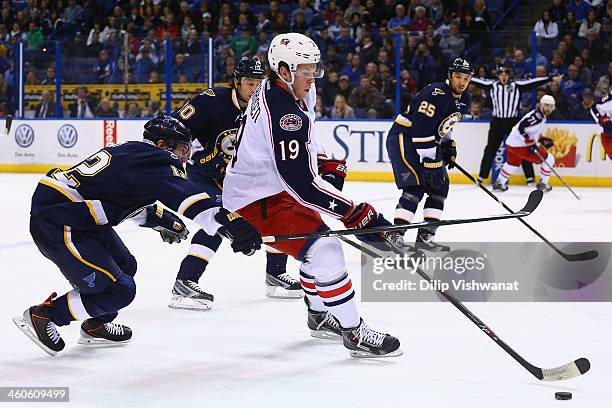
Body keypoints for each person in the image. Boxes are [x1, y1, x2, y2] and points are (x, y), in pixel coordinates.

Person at [13, 115, 262, 356]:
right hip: (60, 222)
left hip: (76, 216)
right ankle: (45, 315)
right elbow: (187, 196)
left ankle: (96, 324)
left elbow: (115, 193)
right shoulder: (157, 160)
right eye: (183, 149)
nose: (186, 156)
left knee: (125, 265)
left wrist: (152, 216)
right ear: (163, 145)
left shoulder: (134, 153)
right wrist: (227, 224)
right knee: (119, 290)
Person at [223, 33, 401, 358]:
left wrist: (318, 155)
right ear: (284, 70)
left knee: (316, 245)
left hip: (270, 186)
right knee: (325, 249)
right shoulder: (280, 109)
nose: (313, 77)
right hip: (256, 200)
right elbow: (301, 184)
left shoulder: (287, 88)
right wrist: (356, 213)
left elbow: (298, 145)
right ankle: (353, 331)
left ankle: (319, 315)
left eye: (314, 68)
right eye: (306, 70)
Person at [169, 57, 301, 310]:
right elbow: (175, 129)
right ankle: (185, 282)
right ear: (236, 82)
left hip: (243, 178)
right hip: (205, 175)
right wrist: (182, 159)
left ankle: (275, 275)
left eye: (259, 83)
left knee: (277, 211)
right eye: (250, 83)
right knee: (218, 220)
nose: (255, 89)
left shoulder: (268, 106)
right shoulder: (211, 101)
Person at [386, 57, 472, 252]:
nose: (462, 82)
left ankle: (426, 235)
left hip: (424, 142)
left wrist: (448, 143)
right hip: (404, 138)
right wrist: (430, 160)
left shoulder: (464, 99)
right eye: (458, 77)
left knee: (440, 185)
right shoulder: (436, 93)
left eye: (466, 79)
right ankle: (395, 234)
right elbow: (421, 128)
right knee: (415, 185)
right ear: (450, 76)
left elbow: (445, 123)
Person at [471, 66, 557, 186]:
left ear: (509, 75)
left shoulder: (517, 85)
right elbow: (475, 80)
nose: (504, 76)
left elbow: (533, 82)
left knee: (523, 147)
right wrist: (461, 76)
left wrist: (550, 78)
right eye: (501, 74)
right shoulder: (492, 85)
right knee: (490, 148)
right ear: (498, 75)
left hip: (513, 121)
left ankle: (530, 178)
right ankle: (481, 177)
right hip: (497, 121)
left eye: (506, 74)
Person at [493, 95, 557, 193]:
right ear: (541, 105)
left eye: (551, 106)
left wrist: (541, 139)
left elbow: (530, 130)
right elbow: (521, 128)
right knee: (549, 159)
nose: (548, 108)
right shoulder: (537, 116)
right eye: (547, 105)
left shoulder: (539, 115)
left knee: (512, 163)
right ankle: (543, 183)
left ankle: (500, 183)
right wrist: (529, 143)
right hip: (520, 145)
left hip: (512, 144)